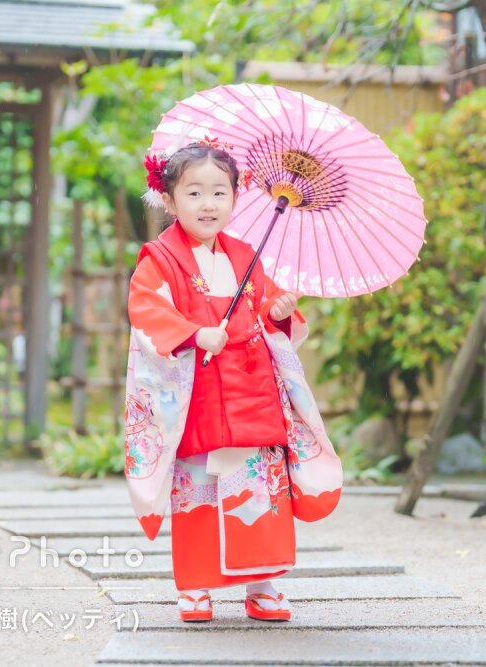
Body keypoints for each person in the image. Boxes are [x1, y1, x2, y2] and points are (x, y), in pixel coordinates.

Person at [122, 140, 343, 623]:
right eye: (194, 193)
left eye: (219, 192)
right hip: (198, 390)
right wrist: (194, 333)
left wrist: (278, 311)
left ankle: (262, 583)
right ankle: (195, 585)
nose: (208, 204)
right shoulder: (159, 259)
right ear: (169, 199)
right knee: (198, 488)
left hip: (250, 389)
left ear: (236, 197)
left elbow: (266, 309)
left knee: (258, 486)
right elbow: (147, 310)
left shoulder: (246, 255)